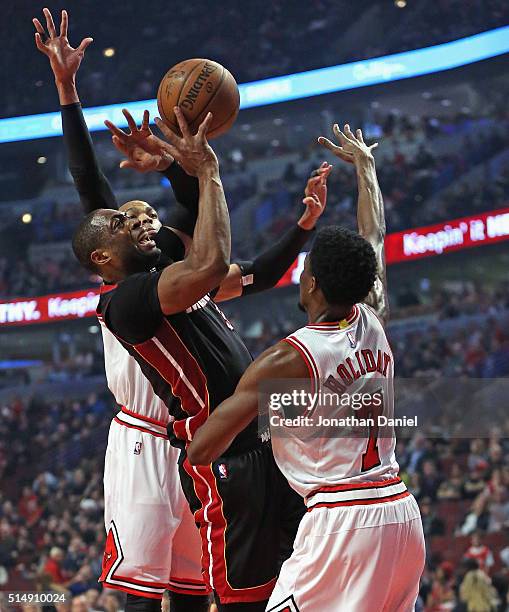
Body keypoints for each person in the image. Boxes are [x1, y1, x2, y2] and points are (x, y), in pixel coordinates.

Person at [34, 11, 329, 611]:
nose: (142, 223)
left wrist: (181, 168)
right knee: (146, 586)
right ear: (103, 252)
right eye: (127, 220)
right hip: (145, 440)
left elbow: (237, 262)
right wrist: (67, 93)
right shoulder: (132, 293)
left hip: (200, 438)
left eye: (147, 218)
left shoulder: (173, 269)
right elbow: (90, 184)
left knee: (196, 585)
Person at [187, 124, 426, 611]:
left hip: (341, 523)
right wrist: (366, 168)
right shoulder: (373, 317)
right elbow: (373, 237)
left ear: (312, 283)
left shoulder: (287, 358)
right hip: (401, 515)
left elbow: (203, 448)